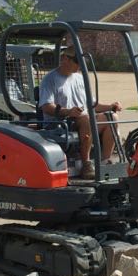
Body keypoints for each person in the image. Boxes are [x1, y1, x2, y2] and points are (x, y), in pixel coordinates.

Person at [38, 46, 122, 179]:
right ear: (65, 59)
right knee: (86, 118)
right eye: (77, 61)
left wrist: (110, 107)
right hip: (59, 123)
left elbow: (92, 105)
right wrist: (68, 111)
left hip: (82, 119)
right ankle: (86, 164)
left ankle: (105, 163)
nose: (80, 66)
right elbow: (46, 106)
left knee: (112, 117)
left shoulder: (80, 79)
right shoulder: (50, 79)